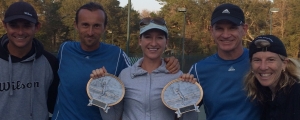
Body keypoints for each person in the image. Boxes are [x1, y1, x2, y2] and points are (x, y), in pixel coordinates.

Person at [51, 2, 180, 120]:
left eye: (96, 26)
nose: (90, 32)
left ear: (104, 27)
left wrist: (166, 62)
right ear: (76, 25)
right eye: (85, 25)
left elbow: (139, 76)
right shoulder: (65, 50)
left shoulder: (117, 55)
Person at [90, 17, 198, 120]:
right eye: (148, 37)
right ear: (140, 41)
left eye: (160, 37)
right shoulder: (125, 75)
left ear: (166, 42)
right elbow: (112, 117)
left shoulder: (176, 76)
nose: (153, 43)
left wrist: (191, 96)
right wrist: (100, 90)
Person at [189, 3, 260, 120]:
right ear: (212, 31)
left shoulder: (259, 63)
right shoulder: (198, 69)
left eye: (232, 28)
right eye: (219, 28)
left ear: (244, 29)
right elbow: (185, 111)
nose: (226, 35)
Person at [0, 1, 59, 120]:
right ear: (5, 25)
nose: (20, 32)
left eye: (27, 25)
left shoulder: (50, 62)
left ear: (37, 27)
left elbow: (54, 104)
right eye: (14, 25)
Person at [244, 35, 300, 120]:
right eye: (257, 60)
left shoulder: (296, 94)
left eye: (271, 60)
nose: (263, 67)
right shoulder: (263, 95)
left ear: (284, 64)